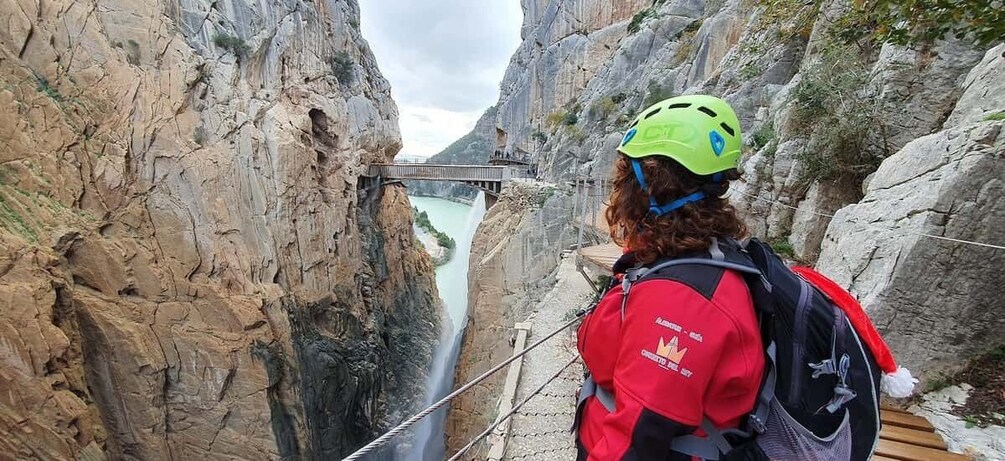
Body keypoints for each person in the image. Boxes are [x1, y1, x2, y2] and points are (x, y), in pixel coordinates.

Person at [575, 95, 764, 460]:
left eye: (625, 176)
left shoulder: (680, 300)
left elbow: (638, 440)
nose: (616, 189)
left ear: (646, 188)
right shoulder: (691, 258)